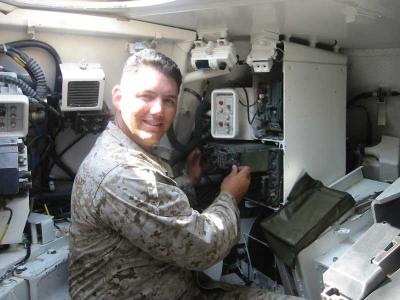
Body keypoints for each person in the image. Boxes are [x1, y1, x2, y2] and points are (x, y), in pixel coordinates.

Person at [69, 49, 302, 300]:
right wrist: (229, 196)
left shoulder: (121, 149)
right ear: (118, 97)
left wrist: (188, 181)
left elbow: (154, 207)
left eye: (169, 100)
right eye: (146, 96)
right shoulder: (122, 172)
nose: (158, 111)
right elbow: (205, 247)